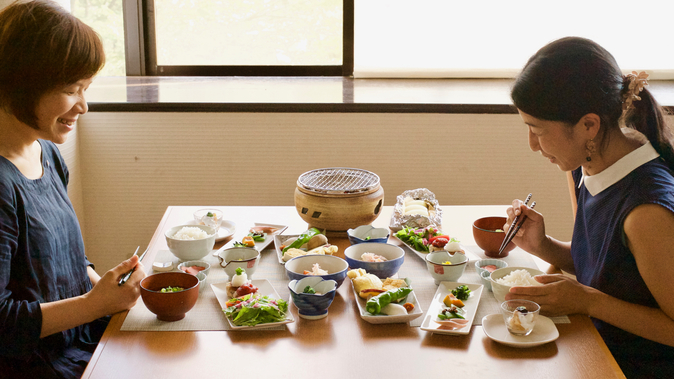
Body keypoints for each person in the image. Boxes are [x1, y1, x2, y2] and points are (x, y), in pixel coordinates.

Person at [506, 36, 674, 378]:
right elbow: (611, 270)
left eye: (536, 130)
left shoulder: (647, 212)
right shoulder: (586, 164)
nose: (532, 146)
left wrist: (587, 300)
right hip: (594, 348)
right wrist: (544, 246)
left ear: (588, 125)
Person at [0, 1, 145, 377]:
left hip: (83, 341)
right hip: (39, 366)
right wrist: (97, 304)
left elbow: (67, 259)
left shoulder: (46, 152)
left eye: (86, 88)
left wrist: (111, 293)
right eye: (71, 89)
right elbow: (2, 324)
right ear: (19, 84)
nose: (83, 105)